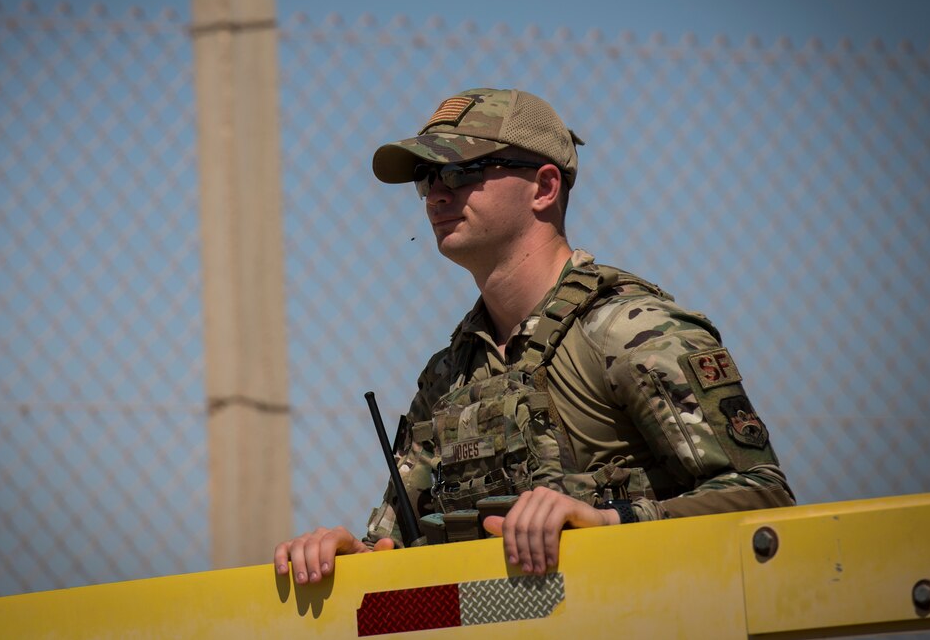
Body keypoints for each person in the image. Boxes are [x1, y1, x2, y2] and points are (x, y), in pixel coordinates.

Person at [273, 87, 794, 585]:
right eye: (427, 179)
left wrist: (611, 521)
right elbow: (396, 546)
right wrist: (353, 558)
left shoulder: (629, 332)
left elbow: (763, 496)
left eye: (460, 171)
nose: (437, 194)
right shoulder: (449, 374)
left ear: (544, 187)